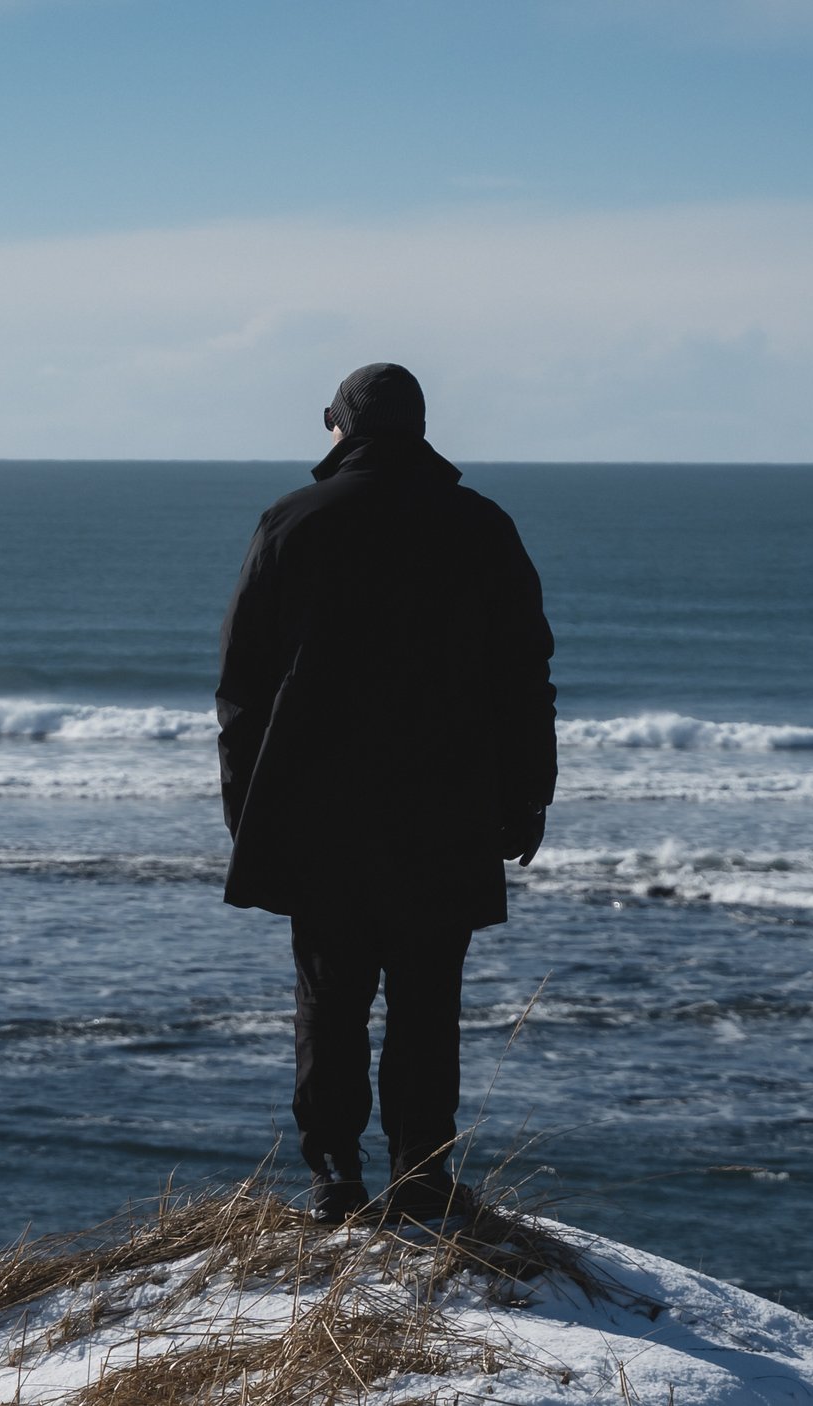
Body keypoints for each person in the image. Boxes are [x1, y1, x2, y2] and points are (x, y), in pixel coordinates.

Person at [216, 362, 557, 1227]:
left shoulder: (291, 522)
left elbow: (242, 688)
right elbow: (524, 677)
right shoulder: (481, 526)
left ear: (339, 426)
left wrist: (245, 811)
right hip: (446, 808)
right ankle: (422, 1175)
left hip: (317, 811)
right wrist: (529, 795)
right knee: (427, 997)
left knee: (329, 997)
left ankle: (334, 1178)